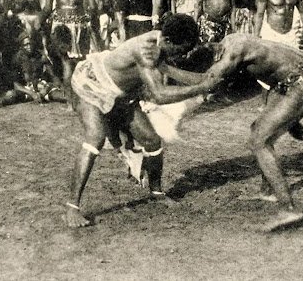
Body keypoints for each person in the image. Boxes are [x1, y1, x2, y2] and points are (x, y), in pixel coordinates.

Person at [160, 33, 303, 232]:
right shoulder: (230, 41)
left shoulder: (231, 55)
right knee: (257, 130)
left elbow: (205, 82)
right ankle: (268, 190)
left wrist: (164, 69)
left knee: (259, 142)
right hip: (293, 79)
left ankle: (290, 208)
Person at [65, 14, 215, 228]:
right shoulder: (146, 49)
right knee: (95, 138)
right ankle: (72, 207)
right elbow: (159, 94)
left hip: (120, 94)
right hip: (91, 83)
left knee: (152, 140)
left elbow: (168, 70)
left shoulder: (160, 41)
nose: (181, 55)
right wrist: (199, 88)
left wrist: (206, 79)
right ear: (168, 41)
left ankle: (156, 191)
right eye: (180, 50)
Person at [42, 0, 102, 105]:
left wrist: (40, 23)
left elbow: (48, 8)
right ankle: (85, 99)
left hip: (61, 21)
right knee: (82, 62)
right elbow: (93, 7)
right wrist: (91, 24)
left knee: (66, 63)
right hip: (80, 22)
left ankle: (70, 103)